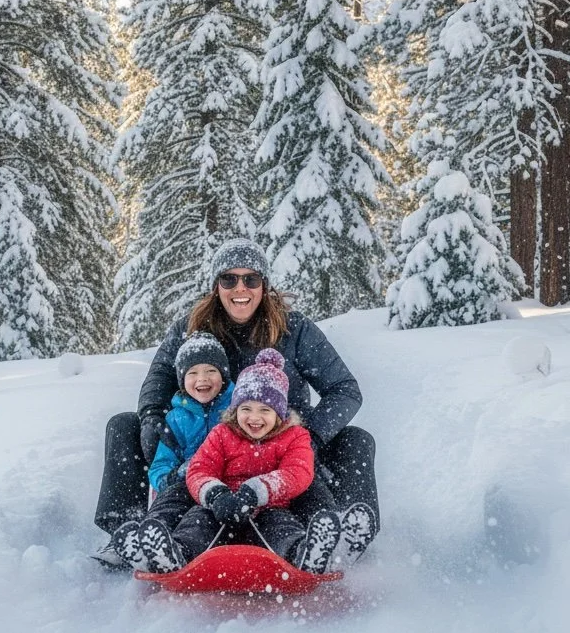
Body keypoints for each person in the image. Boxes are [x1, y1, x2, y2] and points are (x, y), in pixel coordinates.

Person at [93, 237, 379, 569]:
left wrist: (311, 437)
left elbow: (345, 390)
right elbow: (158, 379)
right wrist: (152, 419)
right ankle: (128, 533)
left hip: (281, 453)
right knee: (124, 425)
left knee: (356, 439)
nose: (239, 287)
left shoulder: (294, 330)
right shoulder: (191, 329)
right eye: (229, 278)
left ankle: (343, 539)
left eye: (250, 279)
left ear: (264, 286)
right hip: (210, 453)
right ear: (216, 286)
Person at [126, 349, 376, 574]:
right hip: (221, 506)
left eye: (265, 410)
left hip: (271, 508)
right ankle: (169, 553)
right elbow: (200, 469)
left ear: (279, 413)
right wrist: (215, 495)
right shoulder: (222, 434)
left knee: (282, 529)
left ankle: (309, 552)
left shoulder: (294, 436)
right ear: (235, 411)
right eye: (246, 409)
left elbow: (298, 472)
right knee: (197, 523)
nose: (254, 418)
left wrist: (258, 492)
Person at [107, 331, 235, 571]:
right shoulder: (176, 420)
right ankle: (147, 541)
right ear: (181, 379)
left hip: (223, 485)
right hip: (186, 482)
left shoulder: (238, 411)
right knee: (169, 503)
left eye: (211, 371)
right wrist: (172, 476)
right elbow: (160, 465)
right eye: (193, 373)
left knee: (198, 519)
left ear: (224, 375)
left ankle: (175, 552)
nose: (202, 379)